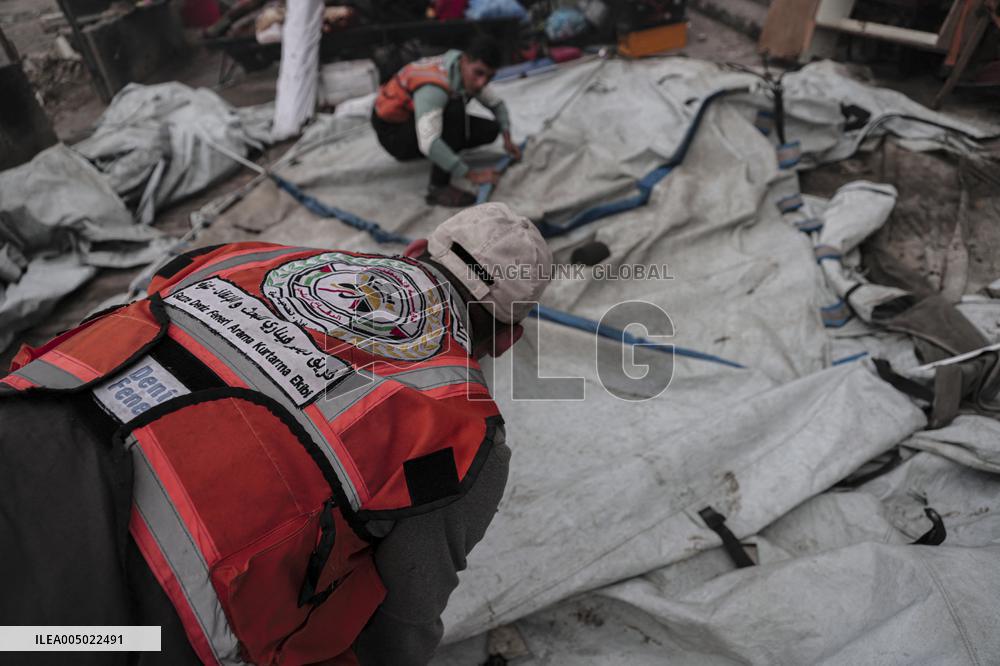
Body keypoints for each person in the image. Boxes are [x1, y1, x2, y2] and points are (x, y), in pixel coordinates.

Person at [0, 203, 552, 665]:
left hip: (25, 430)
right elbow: (402, 620)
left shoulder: (244, 255)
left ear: (414, 249)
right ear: (508, 339)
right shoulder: (465, 434)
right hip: (126, 617)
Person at [371, 35, 521, 208]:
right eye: (478, 73)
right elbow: (429, 142)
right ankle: (438, 187)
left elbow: (497, 104)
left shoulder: (460, 67)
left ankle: (447, 152)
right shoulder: (434, 85)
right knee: (454, 112)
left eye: (489, 77)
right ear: (465, 61)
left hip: (414, 121)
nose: (481, 83)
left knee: (490, 129)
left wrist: (507, 139)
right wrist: (473, 175)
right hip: (393, 135)